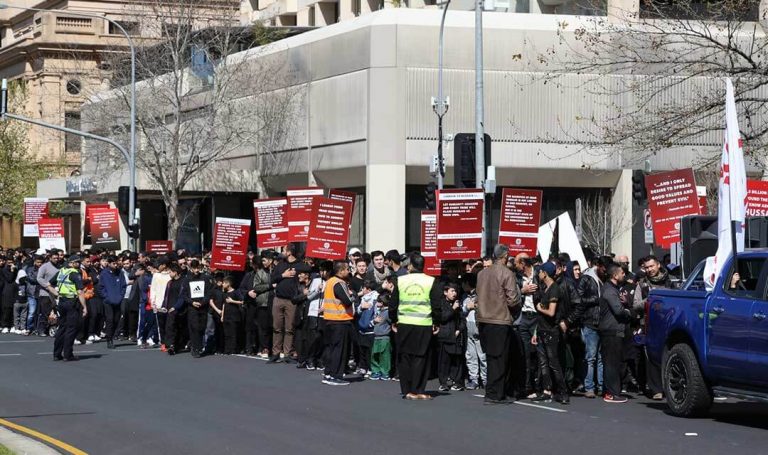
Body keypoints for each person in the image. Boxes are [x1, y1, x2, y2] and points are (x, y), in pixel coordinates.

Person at [389, 253, 442, 400]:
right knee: (421, 357)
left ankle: (407, 390)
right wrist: (436, 322)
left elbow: (393, 304)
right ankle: (418, 390)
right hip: (423, 324)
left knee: (405, 356)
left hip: (404, 323)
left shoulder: (400, 280)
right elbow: (436, 305)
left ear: (411, 265)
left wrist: (393, 320)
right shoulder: (431, 281)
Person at [476, 244, 522, 405]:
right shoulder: (507, 273)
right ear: (505, 256)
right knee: (501, 359)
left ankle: (492, 392)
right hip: (500, 319)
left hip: (483, 319)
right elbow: (512, 299)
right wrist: (516, 311)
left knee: (490, 358)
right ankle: (495, 394)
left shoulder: (481, 274)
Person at [633, 255, 672, 400]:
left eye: (651, 266)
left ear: (658, 265)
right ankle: (656, 389)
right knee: (651, 357)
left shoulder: (670, 281)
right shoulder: (642, 284)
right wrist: (649, 299)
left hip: (667, 324)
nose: (649, 270)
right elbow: (636, 305)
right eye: (646, 267)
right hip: (648, 325)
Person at [532, 263, 570, 405]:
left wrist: (539, 308)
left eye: (540, 271)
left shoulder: (554, 289)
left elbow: (551, 312)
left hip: (550, 332)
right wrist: (535, 332)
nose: (539, 274)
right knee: (543, 362)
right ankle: (547, 390)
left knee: (553, 363)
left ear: (545, 273)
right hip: (542, 330)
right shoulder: (545, 288)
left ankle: (563, 392)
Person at [599, 263, 637, 404]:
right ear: (615, 275)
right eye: (621, 273)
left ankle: (612, 390)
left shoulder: (613, 289)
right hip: (611, 331)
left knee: (615, 362)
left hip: (614, 329)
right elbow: (618, 310)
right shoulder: (609, 290)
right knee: (611, 363)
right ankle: (611, 393)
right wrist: (629, 312)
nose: (624, 275)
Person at [321, 261, 356, 386]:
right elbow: (347, 300)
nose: (348, 271)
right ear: (340, 271)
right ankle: (335, 376)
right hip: (340, 320)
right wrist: (354, 296)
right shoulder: (339, 283)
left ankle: (328, 373)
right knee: (339, 350)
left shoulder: (330, 281)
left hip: (330, 319)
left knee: (331, 348)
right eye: (347, 269)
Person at [50, 255, 87, 361]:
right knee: (71, 328)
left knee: (62, 327)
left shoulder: (61, 271)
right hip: (72, 302)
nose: (79, 264)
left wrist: (57, 294)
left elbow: (48, 284)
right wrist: (84, 307)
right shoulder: (75, 274)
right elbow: (80, 292)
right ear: (71, 263)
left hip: (62, 301)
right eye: (77, 262)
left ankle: (57, 354)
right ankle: (68, 354)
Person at [513, 253, 539, 398]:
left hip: (536, 317)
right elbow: (513, 295)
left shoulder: (538, 274)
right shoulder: (517, 278)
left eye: (517, 263)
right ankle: (527, 387)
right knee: (525, 354)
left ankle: (539, 385)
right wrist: (522, 291)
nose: (516, 266)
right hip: (523, 317)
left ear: (523, 263)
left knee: (537, 354)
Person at [269, 244, 300, 363]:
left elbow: (306, 272)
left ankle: (287, 353)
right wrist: (284, 275)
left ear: (289, 252)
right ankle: (276, 353)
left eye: (283, 249)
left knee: (289, 328)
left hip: (291, 300)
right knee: (277, 327)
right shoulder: (281, 264)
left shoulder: (299, 264)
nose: (281, 251)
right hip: (278, 299)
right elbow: (272, 279)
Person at [436, 282, 466, 392]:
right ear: (445, 292)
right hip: (445, 335)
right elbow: (442, 318)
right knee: (443, 361)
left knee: (456, 361)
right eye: (452, 291)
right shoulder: (441, 303)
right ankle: (443, 383)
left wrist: (459, 330)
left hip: (456, 335)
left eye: (455, 291)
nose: (454, 293)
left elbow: (462, 319)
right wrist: (452, 309)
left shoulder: (458, 304)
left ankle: (457, 382)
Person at [462, 273, 486, 390]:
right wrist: (467, 307)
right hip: (469, 327)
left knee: (482, 355)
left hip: (479, 326)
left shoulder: (480, 294)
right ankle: (474, 379)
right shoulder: (465, 296)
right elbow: (463, 310)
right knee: (470, 355)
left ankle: (485, 379)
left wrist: (475, 306)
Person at [98, 256, 127, 349]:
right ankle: (109, 339)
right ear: (109, 263)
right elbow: (100, 287)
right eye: (113, 263)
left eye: (116, 263)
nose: (115, 265)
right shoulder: (104, 273)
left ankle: (112, 334)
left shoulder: (120, 273)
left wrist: (121, 296)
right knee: (110, 320)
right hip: (108, 301)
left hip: (118, 301)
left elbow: (123, 286)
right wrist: (106, 297)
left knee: (116, 320)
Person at [185, 260, 211, 358]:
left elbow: (209, 292)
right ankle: (196, 348)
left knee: (202, 327)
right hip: (192, 307)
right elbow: (184, 295)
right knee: (194, 327)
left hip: (203, 307)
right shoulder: (187, 279)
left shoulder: (205, 278)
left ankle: (199, 345)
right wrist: (192, 302)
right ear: (191, 268)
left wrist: (203, 302)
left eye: (197, 268)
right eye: (194, 268)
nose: (196, 270)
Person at [36, 251, 62, 336]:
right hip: (45, 293)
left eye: (57, 258)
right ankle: (41, 330)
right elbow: (39, 278)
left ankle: (52, 328)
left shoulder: (60, 267)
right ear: (50, 258)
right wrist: (47, 286)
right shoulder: (44, 266)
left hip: (56, 292)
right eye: (54, 258)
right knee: (45, 312)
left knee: (56, 313)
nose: (56, 259)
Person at [370, 293, 392, 381]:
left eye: (378, 301)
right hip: (376, 337)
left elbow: (392, 321)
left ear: (382, 303)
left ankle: (385, 372)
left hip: (384, 337)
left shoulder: (387, 312)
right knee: (374, 354)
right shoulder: (379, 312)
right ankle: (376, 371)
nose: (376, 303)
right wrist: (374, 321)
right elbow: (374, 321)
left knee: (385, 356)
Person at [221, 276, 244, 355]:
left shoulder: (236, 292)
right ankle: (227, 349)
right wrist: (222, 316)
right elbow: (224, 304)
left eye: (224, 283)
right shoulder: (225, 293)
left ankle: (233, 349)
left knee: (233, 333)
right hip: (226, 316)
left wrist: (232, 301)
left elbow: (242, 301)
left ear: (228, 284)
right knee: (227, 334)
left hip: (234, 316)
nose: (222, 284)